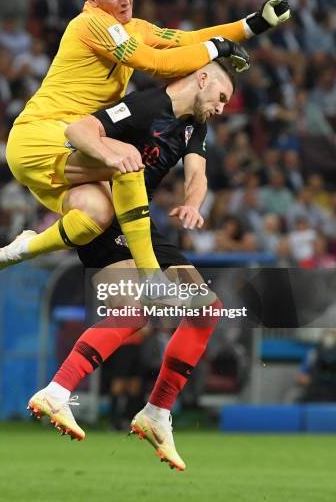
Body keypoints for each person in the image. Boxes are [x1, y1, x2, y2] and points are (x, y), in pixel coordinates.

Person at [0, 0, 290, 278]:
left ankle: (21, 250)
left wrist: (252, 25)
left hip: (68, 148)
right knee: (128, 158)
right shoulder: (90, 24)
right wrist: (217, 49)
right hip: (40, 135)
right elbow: (154, 62)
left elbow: (187, 40)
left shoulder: (133, 28)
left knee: (98, 213)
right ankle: (152, 277)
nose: (126, 0)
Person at [27, 58, 234, 471]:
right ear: (203, 78)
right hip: (106, 215)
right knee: (138, 307)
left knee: (204, 310)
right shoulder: (142, 107)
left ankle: (157, 412)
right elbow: (81, 130)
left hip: (142, 222)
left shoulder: (195, 125)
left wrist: (193, 204)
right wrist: (109, 157)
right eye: (222, 97)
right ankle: (57, 391)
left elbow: (198, 176)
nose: (222, 108)